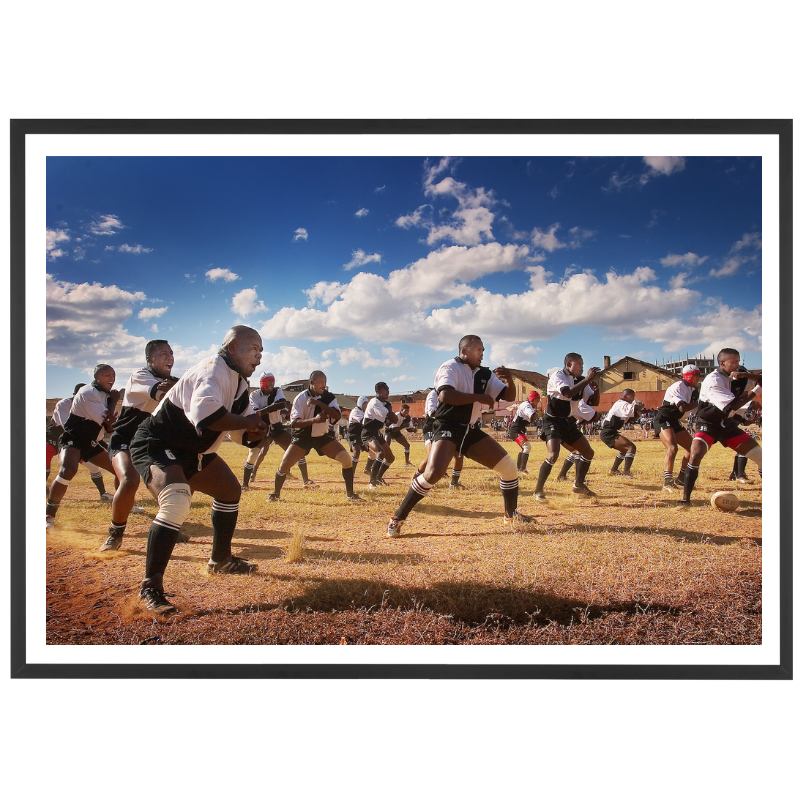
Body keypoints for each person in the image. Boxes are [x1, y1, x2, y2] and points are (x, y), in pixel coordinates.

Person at [129, 326, 268, 614]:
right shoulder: (212, 370)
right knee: (177, 499)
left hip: (192, 451)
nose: (259, 355)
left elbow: (238, 431)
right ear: (232, 348)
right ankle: (150, 587)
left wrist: (255, 431)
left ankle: (220, 560)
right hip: (158, 443)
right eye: (253, 348)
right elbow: (209, 417)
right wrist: (248, 422)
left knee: (229, 491)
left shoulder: (240, 384)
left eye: (261, 350)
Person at [386, 335, 532, 537]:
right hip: (448, 426)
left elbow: (507, 397)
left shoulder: (484, 373)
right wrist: (479, 397)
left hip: (470, 430)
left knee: (509, 468)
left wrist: (508, 379)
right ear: (464, 351)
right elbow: (446, 395)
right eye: (478, 349)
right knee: (433, 473)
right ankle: (397, 517)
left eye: (483, 350)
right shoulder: (449, 367)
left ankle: (511, 515)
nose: (482, 354)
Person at [99, 341, 180, 551]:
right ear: (150, 360)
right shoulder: (140, 376)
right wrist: (181, 387)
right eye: (164, 354)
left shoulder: (171, 380)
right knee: (129, 479)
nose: (170, 357)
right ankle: (114, 534)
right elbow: (160, 392)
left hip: (149, 443)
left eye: (171, 354)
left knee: (170, 485)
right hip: (124, 440)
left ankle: (169, 526)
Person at [677, 349, 763, 508]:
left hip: (728, 425)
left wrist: (747, 376)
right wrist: (755, 391)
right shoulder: (713, 380)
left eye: (738, 361)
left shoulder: (740, 375)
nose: (737, 364)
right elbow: (731, 407)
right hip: (708, 423)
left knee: (761, 457)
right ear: (722, 363)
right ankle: (685, 500)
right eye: (733, 362)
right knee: (695, 455)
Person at [268, 370, 361, 503]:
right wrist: (314, 420)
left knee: (346, 459)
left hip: (322, 436)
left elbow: (336, 415)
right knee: (284, 464)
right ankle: (275, 494)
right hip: (302, 437)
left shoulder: (329, 397)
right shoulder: (300, 398)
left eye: (325, 382)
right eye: (321, 382)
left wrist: (318, 404)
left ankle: (350, 495)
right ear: (312, 383)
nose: (324, 385)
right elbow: (294, 423)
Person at [46, 368, 120, 529]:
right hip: (73, 438)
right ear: (96, 377)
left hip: (90, 442)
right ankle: (49, 516)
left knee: (120, 470)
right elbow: (108, 421)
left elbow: (109, 428)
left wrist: (111, 404)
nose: (112, 378)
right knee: (67, 470)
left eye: (114, 375)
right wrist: (114, 401)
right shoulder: (88, 393)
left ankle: (124, 504)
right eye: (107, 375)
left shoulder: (105, 396)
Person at [533, 354, 601, 502]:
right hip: (552, 420)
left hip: (568, 421)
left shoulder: (580, 380)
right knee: (553, 455)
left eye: (583, 364)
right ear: (569, 364)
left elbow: (593, 401)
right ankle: (538, 491)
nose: (583, 367)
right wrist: (588, 380)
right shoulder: (558, 376)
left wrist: (596, 388)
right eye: (579, 364)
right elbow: (567, 392)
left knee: (588, 452)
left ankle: (579, 485)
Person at [241, 372, 312, 489]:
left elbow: (281, 404)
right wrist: (273, 407)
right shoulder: (254, 395)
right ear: (262, 382)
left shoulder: (277, 391)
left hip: (276, 427)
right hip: (261, 428)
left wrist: (264, 410)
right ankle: (245, 484)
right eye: (269, 380)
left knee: (297, 450)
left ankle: (306, 481)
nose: (272, 383)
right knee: (254, 454)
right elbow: (256, 412)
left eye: (273, 380)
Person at [47, 384, 115, 501]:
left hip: (77, 441)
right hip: (57, 436)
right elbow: (67, 427)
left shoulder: (90, 405)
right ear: (75, 395)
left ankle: (103, 493)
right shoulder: (64, 404)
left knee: (94, 467)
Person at [653, 364, 702, 491]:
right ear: (689, 376)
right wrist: (702, 402)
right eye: (697, 375)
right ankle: (667, 481)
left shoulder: (694, 390)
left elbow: (697, 410)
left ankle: (681, 478)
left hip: (674, 420)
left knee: (693, 449)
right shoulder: (678, 386)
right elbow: (683, 408)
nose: (699, 378)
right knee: (672, 448)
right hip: (663, 418)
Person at [555, 381, 601, 482]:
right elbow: (596, 417)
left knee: (576, 451)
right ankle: (578, 479)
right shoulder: (581, 404)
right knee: (579, 451)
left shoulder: (577, 403)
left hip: (563, 428)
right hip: (564, 429)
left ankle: (563, 476)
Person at [600, 389, 645, 477]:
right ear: (625, 396)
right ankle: (626, 473)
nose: (633, 399)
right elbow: (635, 408)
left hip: (609, 431)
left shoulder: (622, 405)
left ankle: (614, 470)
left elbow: (630, 418)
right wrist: (641, 406)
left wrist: (637, 413)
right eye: (632, 396)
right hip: (608, 432)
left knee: (624, 450)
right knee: (631, 447)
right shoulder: (621, 403)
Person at [362, 382, 398, 488]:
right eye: (385, 389)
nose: (388, 391)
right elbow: (390, 416)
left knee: (390, 458)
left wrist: (392, 415)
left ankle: (378, 478)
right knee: (380, 452)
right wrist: (392, 414)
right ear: (378, 392)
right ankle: (372, 482)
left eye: (388, 389)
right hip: (368, 433)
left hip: (376, 432)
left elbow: (393, 420)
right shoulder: (375, 402)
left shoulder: (385, 404)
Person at [507, 390, 541, 475]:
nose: (537, 403)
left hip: (519, 428)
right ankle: (522, 469)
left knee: (524, 448)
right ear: (531, 399)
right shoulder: (527, 405)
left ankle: (518, 469)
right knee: (527, 446)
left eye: (538, 400)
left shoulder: (527, 404)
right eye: (536, 400)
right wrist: (536, 415)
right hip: (516, 429)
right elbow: (531, 416)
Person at [386, 402, 414, 467]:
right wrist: (404, 426)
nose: (407, 412)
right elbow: (393, 429)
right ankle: (383, 462)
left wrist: (413, 430)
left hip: (397, 432)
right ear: (401, 410)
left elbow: (408, 428)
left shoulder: (407, 417)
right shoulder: (396, 416)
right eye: (405, 411)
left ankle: (407, 462)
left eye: (408, 411)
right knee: (386, 448)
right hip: (389, 431)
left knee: (407, 445)